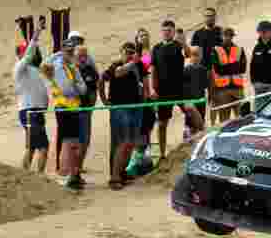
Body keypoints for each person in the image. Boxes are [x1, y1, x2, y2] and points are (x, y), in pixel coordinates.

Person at [150, 20, 200, 165]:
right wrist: (153, 89)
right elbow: (153, 69)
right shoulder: (156, 48)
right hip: (163, 90)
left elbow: (190, 54)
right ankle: (162, 154)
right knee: (162, 123)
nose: (167, 32)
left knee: (191, 110)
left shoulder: (178, 45)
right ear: (162, 32)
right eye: (164, 30)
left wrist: (184, 42)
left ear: (173, 31)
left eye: (169, 30)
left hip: (180, 88)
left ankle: (200, 138)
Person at [99, 42, 145, 190]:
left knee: (131, 142)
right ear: (121, 52)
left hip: (136, 107)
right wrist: (104, 99)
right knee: (121, 142)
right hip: (120, 108)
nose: (130, 54)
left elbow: (144, 81)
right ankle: (114, 177)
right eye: (127, 52)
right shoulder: (116, 65)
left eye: (132, 52)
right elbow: (107, 77)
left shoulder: (138, 66)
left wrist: (144, 99)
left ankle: (122, 172)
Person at [42, 38, 87, 189]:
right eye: (68, 51)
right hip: (64, 108)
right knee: (68, 143)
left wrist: (75, 86)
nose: (71, 54)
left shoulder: (71, 67)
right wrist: (75, 87)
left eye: (72, 51)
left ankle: (72, 174)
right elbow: (68, 90)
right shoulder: (58, 66)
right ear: (63, 52)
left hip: (73, 108)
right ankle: (64, 174)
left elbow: (83, 89)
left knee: (74, 143)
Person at [14, 19, 48, 174]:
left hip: (36, 112)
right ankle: (39, 177)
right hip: (30, 112)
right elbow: (29, 53)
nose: (32, 53)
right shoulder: (20, 67)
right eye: (26, 51)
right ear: (21, 54)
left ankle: (24, 176)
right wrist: (37, 32)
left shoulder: (33, 69)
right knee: (43, 147)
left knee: (32, 146)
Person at [69, 31, 99, 171]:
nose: (77, 42)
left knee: (85, 140)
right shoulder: (67, 66)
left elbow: (96, 83)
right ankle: (71, 168)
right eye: (75, 40)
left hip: (87, 108)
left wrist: (94, 101)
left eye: (79, 40)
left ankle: (78, 167)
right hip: (73, 109)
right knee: (73, 141)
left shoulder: (89, 64)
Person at [208, 27, 246, 126]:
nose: (228, 38)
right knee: (224, 121)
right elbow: (218, 69)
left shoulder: (239, 49)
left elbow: (242, 69)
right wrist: (234, 66)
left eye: (230, 36)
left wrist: (226, 67)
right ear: (221, 36)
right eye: (226, 35)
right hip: (222, 91)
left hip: (237, 89)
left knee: (241, 118)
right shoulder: (216, 50)